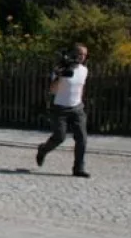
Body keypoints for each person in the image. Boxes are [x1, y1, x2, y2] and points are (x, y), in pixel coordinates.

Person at [36, 43, 91, 178]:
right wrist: (60, 76)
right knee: (59, 137)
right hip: (60, 108)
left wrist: (80, 102)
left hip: (77, 108)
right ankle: (43, 149)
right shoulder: (60, 69)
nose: (82, 57)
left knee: (82, 139)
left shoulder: (84, 70)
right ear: (73, 54)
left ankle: (78, 168)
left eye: (84, 55)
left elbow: (81, 87)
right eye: (79, 54)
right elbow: (53, 90)